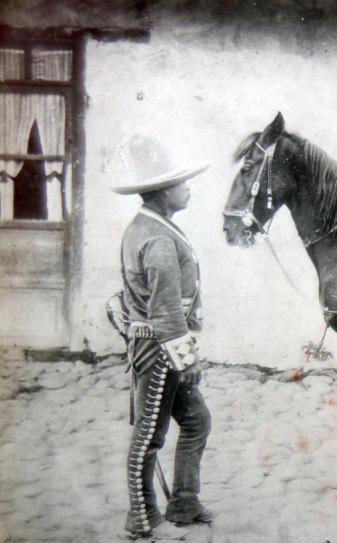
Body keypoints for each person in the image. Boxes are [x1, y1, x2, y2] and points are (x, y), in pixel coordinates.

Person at [112, 136, 213, 540]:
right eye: (180, 181)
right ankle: (141, 517)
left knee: (197, 422)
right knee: (149, 436)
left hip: (160, 346)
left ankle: (185, 503)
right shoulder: (155, 238)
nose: (187, 186)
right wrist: (187, 360)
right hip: (160, 350)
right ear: (161, 192)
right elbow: (166, 310)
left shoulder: (156, 226)